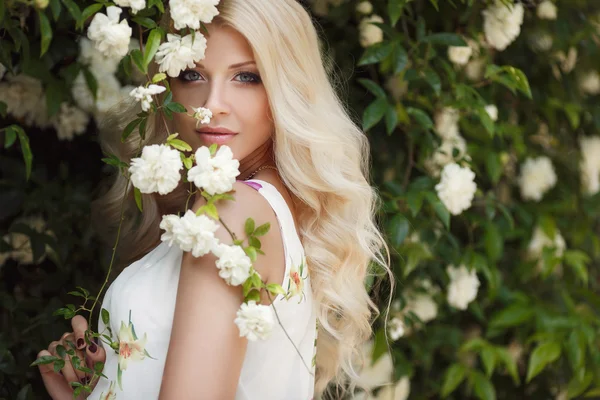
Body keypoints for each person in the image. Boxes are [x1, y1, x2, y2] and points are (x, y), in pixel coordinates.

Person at [36, 0, 393, 399]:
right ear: (166, 87)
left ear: (287, 90)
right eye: (192, 74)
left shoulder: (233, 213)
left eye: (246, 78)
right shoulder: (267, 209)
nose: (211, 105)